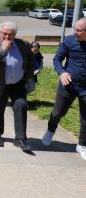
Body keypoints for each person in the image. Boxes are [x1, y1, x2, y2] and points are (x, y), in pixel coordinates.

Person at [0, 21, 34, 151]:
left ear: (15, 34)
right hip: (0, 83)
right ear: (0, 32)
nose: (7, 37)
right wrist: (3, 49)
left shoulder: (23, 45)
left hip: (17, 84)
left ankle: (20, 139)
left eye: (10, 34)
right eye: (4, 34)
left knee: (21, 106)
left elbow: (30, 61)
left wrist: (28, 78)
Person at [42, 17, 86, 160]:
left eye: (78, 30)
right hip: (68, 84)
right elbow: (57, 59)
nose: (75, 32)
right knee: (57, 112)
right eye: (75, 29)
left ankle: (82, 145)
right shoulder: (69, 41)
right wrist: (62, 72)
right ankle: (50, 130)